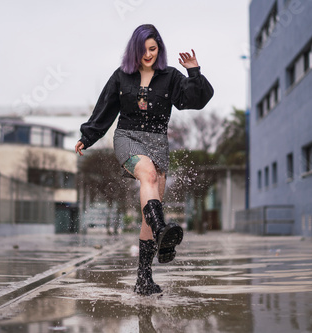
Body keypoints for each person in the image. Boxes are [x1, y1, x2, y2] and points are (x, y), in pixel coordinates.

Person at [75, 24, 214, 296]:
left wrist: (194, 72)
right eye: (144, 49)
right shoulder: (121, 77)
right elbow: (104, 108)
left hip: (158, 142)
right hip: (128, 138)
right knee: (147, 175)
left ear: (158, 49)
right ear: (134, 50)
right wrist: (88, 137)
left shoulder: (171, 77)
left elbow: (195, 101)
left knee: (146, 218)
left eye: (153, 48)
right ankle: (162, 227)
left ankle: (144, 279)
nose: (148, 54)